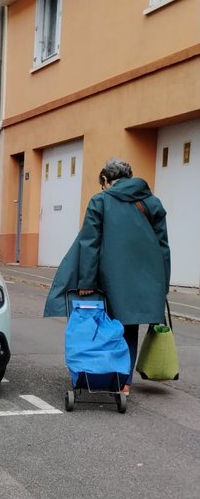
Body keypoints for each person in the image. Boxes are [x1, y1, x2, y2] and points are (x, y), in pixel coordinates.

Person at [44, 158, 170, 392]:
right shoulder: (152, 203)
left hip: (106, 278)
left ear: (105, 180)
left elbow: (90, 243)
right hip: (145, 279)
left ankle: (99, 374)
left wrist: (86, 281)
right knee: (129, 328)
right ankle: (124, 384)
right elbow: (163, 246)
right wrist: (163, 284)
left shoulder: (100, 201)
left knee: (102, 327)